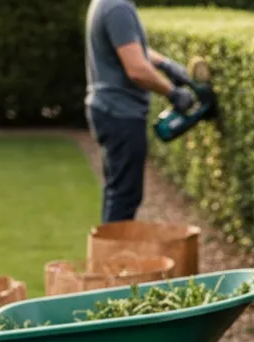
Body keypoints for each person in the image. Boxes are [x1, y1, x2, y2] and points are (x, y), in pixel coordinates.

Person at [84, 0, 199, 223]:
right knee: (125, 196)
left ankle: (108, 245)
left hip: (108, 109)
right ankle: (114, 247)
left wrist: (165, 63)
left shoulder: (107, 3)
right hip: (120, 113)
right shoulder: (118, 7)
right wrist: (172, 92)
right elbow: (136, 69)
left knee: (117, 191)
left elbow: (128, 45)